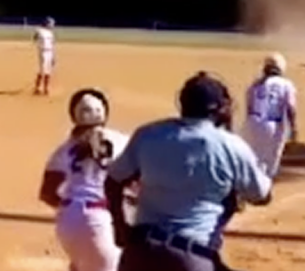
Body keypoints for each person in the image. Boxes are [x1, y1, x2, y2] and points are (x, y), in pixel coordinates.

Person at [105, 71, 273, 271]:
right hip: (191, 255)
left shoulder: (148, 134)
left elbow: (113, 181)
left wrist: (120, 226)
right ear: (219, 108)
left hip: (141, 251)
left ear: (182, 103)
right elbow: (262, 196)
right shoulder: (231, 145)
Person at [38, 88, 131, 271]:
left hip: (68, 221)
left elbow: (47, 193)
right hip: (100, 219)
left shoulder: (64, 149)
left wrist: (72, 207)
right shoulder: (121, 141)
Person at [240, 53, 298, 178]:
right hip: (274, 124)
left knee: (255, 156)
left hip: (253, 122)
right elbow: (290, 107)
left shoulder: (255, 84)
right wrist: (294, 128)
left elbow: (248, 106)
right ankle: (264, 187)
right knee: (271, 158)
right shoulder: (286, 84)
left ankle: (251, 184)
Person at [33, 17, 56, 95]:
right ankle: (37, 88)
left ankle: (46, 88)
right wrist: (37, 34)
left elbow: (53, 45)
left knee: (48, 71)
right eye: (51, 24)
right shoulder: (40, 31)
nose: (52, 25)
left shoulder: (51, 33)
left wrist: (53, 56)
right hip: (43, 52)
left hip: (50, 52)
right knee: (42, 70)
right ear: (47, 24)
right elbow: (35, 38)